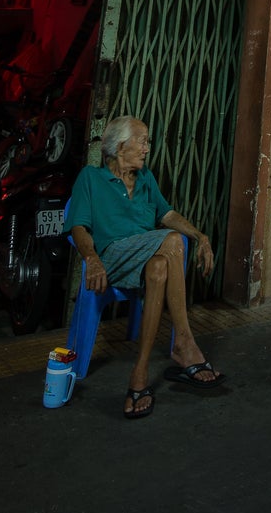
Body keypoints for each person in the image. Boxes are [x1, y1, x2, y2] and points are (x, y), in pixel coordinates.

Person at [66, 114, 222, 420]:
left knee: (160, 267)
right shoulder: (91, 178)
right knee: (174, 243)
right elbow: (79, 228)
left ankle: (140, 375)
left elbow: (166, 214)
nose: (147, 149)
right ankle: (185, 343)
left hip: (147, 255)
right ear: (121, 146)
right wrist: (91, 258)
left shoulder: (145, 178)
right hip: (114, 256)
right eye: (143, 141)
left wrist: (201, 236)